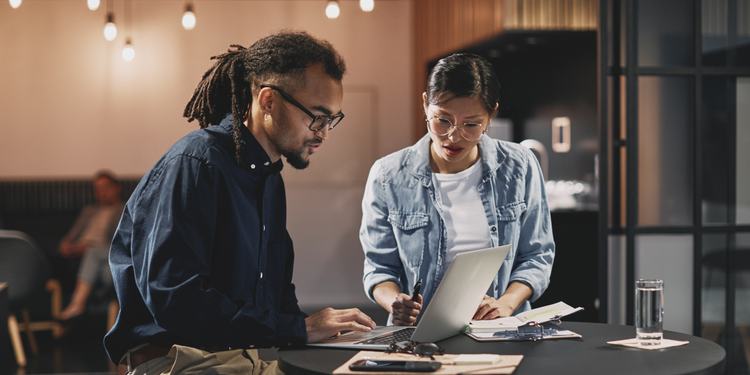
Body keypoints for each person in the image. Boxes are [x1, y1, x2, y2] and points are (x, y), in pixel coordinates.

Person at [104, 30, 376, 375]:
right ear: (268, 101)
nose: (323, 131)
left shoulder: (269, 179)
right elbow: (177, 301)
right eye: (317, 116)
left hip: (240, 359)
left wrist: (334, 332)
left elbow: (278, 297)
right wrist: (297, 329)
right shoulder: (196, 164)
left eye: (331, 120)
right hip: (176, 361)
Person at [360, 53, 555, 326]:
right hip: (419, 333)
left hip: (501, 330)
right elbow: (379, 269)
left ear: (490, 117)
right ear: (426, 105)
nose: (454, 136)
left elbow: (537, 255)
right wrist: (395, 303)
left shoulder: (520, 165)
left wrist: (505, 305)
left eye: (471, 124)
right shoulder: (387, 175)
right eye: (442, 120)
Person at [58, 171, 124, 321]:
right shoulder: (88, 211)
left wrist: (90, 247)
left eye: (106, 187)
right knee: (107, 273)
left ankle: (77, 304)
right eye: (98, 189)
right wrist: (66, 245)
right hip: (80, 257)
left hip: (107, 253)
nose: (102, 192)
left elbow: (122, 244)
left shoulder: (124, 211)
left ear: (117, 188)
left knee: (95, 253)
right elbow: (69, 237)